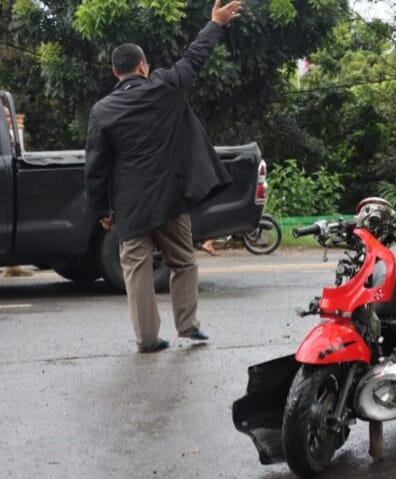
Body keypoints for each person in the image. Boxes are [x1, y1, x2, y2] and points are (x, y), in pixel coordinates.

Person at [84, 0, 242, 353]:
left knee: (137, 271)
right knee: (184, 262)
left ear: (115, 73)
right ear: (143, 66)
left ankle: (147, 339)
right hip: (171, 199)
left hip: (130, 206)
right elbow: (194, 57)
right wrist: (214, 23)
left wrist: (102, 210)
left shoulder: (102, 111)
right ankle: (188, 326)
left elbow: (95, 166)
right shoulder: (166, 87)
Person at [2, 105, 33, 278]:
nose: (8, 119)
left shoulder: (10, 136)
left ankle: (13, 266)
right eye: (5, 116)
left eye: (8, 116)